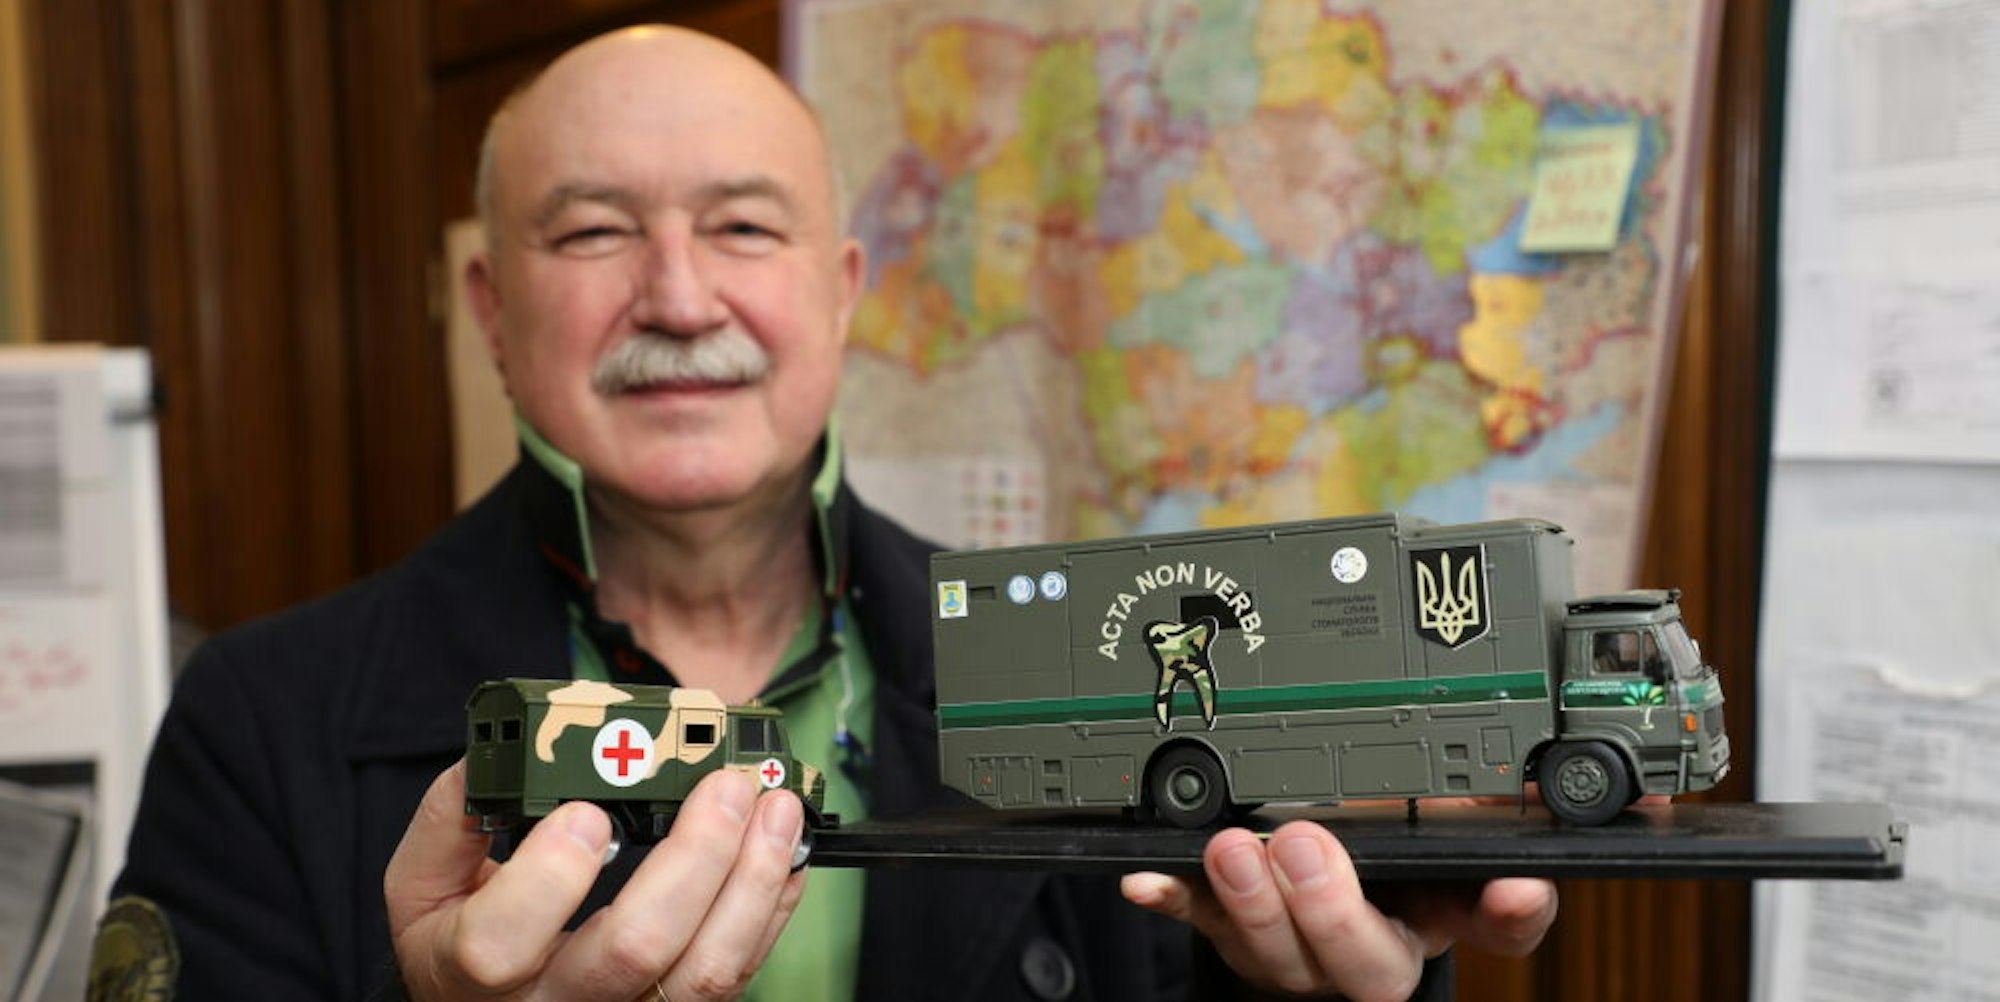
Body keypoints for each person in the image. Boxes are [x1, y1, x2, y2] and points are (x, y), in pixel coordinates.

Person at [89, 25, 1557, 1002]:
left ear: (843, 292)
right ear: (490, 309)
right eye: (593, 230)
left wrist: (1306, 988)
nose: (679, 297)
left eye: (743, 225)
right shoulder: (255, 722)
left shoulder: (1093, 682)